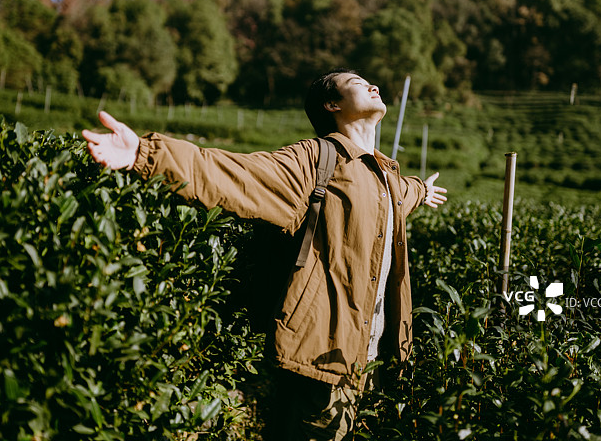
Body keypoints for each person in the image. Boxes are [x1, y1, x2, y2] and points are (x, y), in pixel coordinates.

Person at [82, 68, 447, 440]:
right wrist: (146, 154)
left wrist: (420, 190)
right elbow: (237, 175)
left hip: (371, 370)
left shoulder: (385, 178)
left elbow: (401, 193)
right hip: (321, 364)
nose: (373, 85)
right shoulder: (314, 160)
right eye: (356, 83)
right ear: (332, 104)